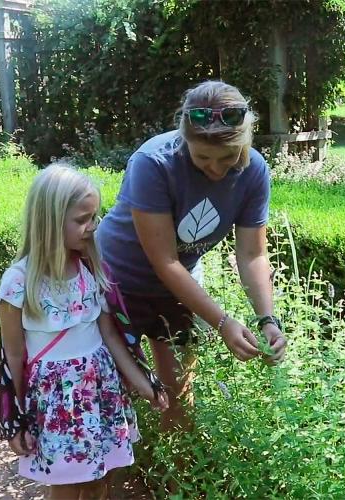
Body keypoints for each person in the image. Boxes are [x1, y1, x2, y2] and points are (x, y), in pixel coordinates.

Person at [96, 80, 287, 434]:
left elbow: (252, 255)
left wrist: (267, 319)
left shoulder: (255, 171)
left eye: (229, 158)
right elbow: (164, 260)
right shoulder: (153, 162)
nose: (216, 170)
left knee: (179, 391)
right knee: (113, 394)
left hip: (178, 285)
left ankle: (175, 477)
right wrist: (222, 322)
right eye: (203, 158)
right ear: (185, 140)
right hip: (116, 282)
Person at [0, 165, 168, 499]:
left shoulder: (91, 270)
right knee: (67, 484)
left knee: (101, 479)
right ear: (50, 220)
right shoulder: (17, 284)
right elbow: (13, 356)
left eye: (95, 217)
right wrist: (14, 418)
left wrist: (143, 382)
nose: (92, 227)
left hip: (99, 391)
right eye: (82, 219)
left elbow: (111, 337)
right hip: (57, 401)